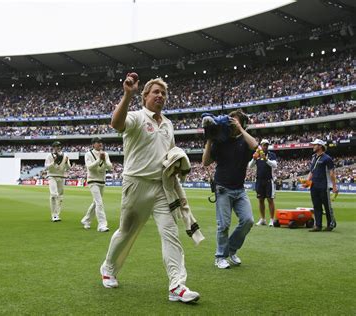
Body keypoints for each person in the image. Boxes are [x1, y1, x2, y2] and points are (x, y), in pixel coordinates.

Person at [100, 75, 200, 303]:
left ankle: (177, 285)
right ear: (145, 96)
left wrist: (178, 165)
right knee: (125, 232)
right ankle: (108, 267)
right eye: (155, 92)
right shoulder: (135, 117)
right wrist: (127, 94)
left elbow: (170, 153)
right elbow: (116, 124)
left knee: (171, 234)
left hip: (161, 189)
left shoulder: (168, 124)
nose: (160, 96)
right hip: (136, 184)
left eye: (163, 93)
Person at [202, 109, 257, 269]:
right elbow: (205, 162)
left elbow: (255, 146)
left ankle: (231, 250)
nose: (230, 123)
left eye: (235, 120)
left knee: (248, 221)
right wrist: (209, 140)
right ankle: (220, 257)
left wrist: (240, 129)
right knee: (223, 225)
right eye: (229, 120)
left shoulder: (244, 141)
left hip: (239, 189)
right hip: (223, 189)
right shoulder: (220, 141)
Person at [81, 137, 112, 232]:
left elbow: (110, 167)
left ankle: (86, 220)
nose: (100, 144)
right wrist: (99, 160)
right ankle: (102, 225)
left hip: (102, 181)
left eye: (101, 142)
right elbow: (89, 167)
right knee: (99, 202)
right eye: (98, 142)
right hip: (92, 180)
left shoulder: (105, 154)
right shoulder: (88, 154)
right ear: (93, 144)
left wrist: (104, 160)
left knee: (96, 202)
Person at [306, 139, 337, 232]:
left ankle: (331, 223)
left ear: (320, 146)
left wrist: (334, 186)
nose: (313, 146)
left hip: (324, 185)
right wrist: (307, 181)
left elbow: (332, 173)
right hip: (314, 185)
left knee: (327, 205)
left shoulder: (327, 158)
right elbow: (312, 171)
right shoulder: (314, 157)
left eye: (315, 145)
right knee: (316, 205)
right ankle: (318, 225)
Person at [248, 139, 278, 226]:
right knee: (260, 200)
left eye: (267, 145)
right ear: (261, 145)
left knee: (270, 200)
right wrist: (254, 158)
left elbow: (275, 165)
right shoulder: (257, 154)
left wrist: (266, 159)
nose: (265, 146)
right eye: (264, 145)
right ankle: (263, 219)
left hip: (269, 180)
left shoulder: (271, 155)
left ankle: (271, 219)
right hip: (259, 180)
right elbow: (250, 166)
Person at [44, 141, 71, 222]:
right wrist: (54, 162)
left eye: (59, 146)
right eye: (56, 146)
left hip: (61, 176)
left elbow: (68, 168)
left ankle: (57, 215)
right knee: (53, 194)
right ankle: (54, 215)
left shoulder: (65, 155)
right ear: (53, 147)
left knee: (60, 196)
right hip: (51, 176)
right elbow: (46, 168)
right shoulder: (49, 155)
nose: (58, 147)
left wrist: (66, 163)